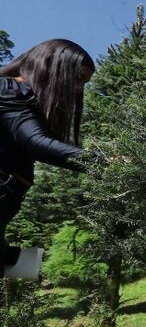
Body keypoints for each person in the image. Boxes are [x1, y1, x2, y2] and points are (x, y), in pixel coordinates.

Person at [0, 39, 96, 278]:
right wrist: (105, 162)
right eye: (78, 78)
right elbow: (35, 143)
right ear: (55, 67)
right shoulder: (13, 91)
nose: (78, 90)